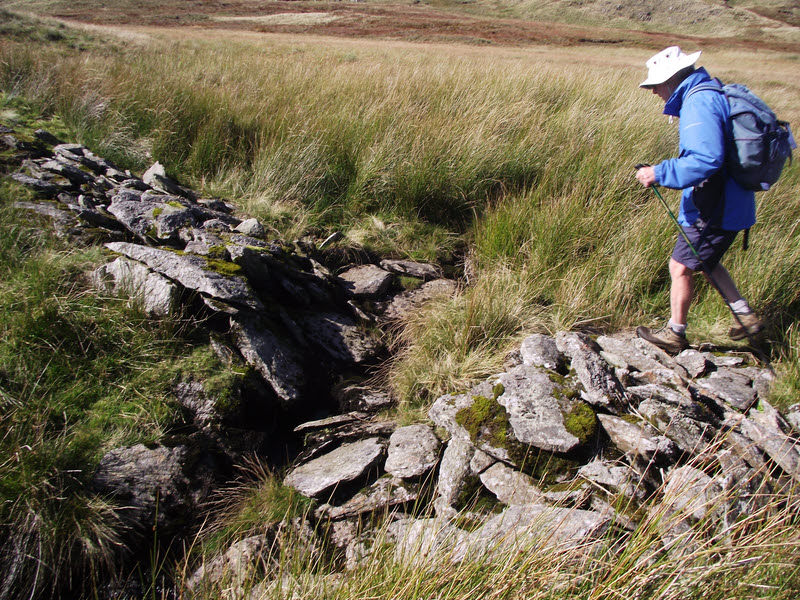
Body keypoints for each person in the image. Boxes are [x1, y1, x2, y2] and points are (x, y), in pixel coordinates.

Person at [634, 46, 763, 353]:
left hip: (715, 205)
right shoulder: (711, 93)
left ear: (672, 80)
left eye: (655, 85)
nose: (654, 92)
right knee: (707, 261)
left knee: (679, 266)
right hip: (731, 201)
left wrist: (658, 172)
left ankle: (675, 334)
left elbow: (705, 160)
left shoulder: (698, 102)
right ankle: (745, 317)